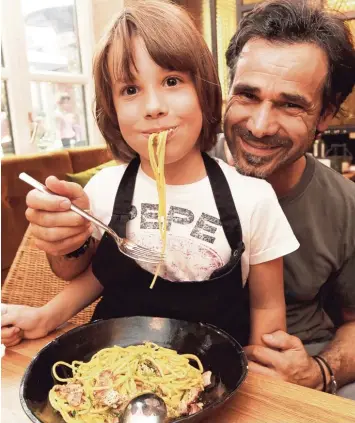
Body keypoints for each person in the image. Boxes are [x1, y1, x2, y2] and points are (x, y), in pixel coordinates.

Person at [2, 1, 299, 350]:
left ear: (204, 93)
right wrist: (46, 316)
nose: (153, 106)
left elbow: (267, 307)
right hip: (113, 368)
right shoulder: (105, 189)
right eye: (130, 90)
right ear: (112, 110)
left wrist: (266, 374)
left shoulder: (253, 199)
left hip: (215, 376)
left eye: (172, 81)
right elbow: (98, 275)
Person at [214, 0, 355, 399]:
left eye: (290, 104)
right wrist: (69, 245)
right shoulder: (175, 169)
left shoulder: (346, 205)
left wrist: (322, 371)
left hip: (299, 364)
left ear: (325, 115)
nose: (259, 126)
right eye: (247, 95)